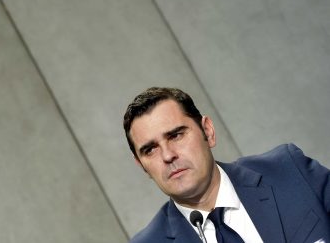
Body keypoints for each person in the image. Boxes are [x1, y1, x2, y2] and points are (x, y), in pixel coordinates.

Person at [123, 87, 330, 242]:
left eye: (176, 135)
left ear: (208, 131)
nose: (168, 155)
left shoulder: (289, 171)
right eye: (150, 149)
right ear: (141, 165)